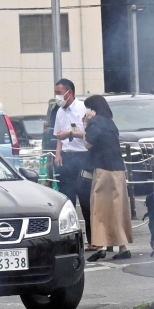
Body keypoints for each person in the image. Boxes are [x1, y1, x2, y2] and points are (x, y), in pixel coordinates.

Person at [83, 95, 133, 261]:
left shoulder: (95, 122)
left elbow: (88, 143)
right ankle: (123, 247)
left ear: (93, 109)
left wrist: (86, 125)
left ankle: (101, 246)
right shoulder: (110, 122)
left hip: (103, 170)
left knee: (100, 208)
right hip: (118, 169)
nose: (87, 111)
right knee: (118, 209)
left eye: (88, 108)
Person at [53, 79, 92, 246]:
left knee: (86, 201)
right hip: (67, 157)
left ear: (69, 92)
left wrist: (70, 134)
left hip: (83, 156)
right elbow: (58, 136)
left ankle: (93, 239)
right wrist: (58, 154)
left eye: (60, 93)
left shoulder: (82, 108)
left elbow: (87, 133)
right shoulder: (60, 111)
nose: (57, 96)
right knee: (67, 201)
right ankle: (72, 242)